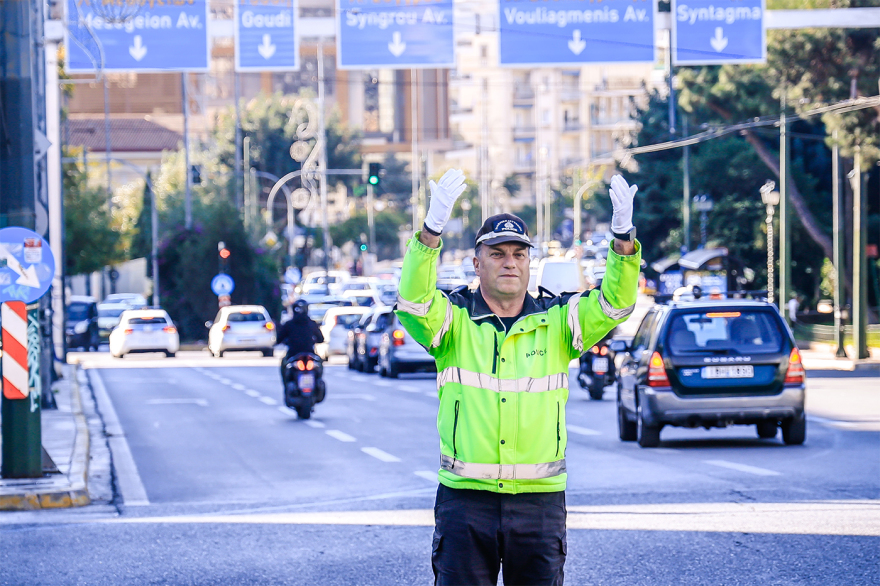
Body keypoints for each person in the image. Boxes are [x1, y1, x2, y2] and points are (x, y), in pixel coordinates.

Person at [395, 169, 641, 586]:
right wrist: (430, 234)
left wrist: (623, 239)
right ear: (477, 263)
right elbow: (413, 304)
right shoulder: (453, 321)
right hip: (465, 501)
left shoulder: (559, 320)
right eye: (497, 253)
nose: (510, 262)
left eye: (519, 254)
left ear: (530, 262)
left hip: (539, 504)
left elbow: (616, 304)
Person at [276, 299, 323, 380]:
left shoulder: (289, 324)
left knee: (284, 364)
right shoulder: (312, 323)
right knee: (319, 362)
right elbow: (320, 338)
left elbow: (279, 339)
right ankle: (318, 380)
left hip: (293, 353)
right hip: (309, 352)